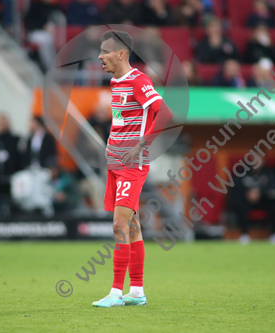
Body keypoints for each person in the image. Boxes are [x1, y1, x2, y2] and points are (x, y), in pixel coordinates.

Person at [93, 30, 173, 307]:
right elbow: (120, 119)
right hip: (115, 162)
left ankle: (115, 292)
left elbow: (164, 113)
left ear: (121, 54)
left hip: (132, 165)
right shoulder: (116, 83)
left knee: (119, 225)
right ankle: (137, 291)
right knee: (134, 225)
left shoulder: (138, 80)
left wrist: (141, 145)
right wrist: (109, 142)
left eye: (104, 51)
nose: (100, 56)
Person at [228, 150, 275, 244]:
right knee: (240, 205)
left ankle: (274, 235)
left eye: (259, 158)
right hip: (246, 200)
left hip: (263, 200)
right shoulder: (241, 171)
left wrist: (260, 193)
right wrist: (247, 193)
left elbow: (274, 189)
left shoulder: (268, 173)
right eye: (255, 157)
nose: (257, 160)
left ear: (264, 159)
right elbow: (234, 188)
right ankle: (244, 235)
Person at [24, 0, 60, 71]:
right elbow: (29, 23)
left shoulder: (55, 7)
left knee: (53, 40)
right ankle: (49, 67)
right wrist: (43, 26)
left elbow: (59, 20)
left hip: (51, 33)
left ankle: (54, 66)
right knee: (45, 41)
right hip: (36, 32)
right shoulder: (35, 5)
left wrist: (53, 27)